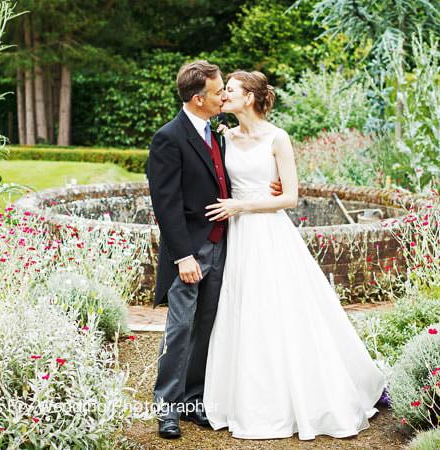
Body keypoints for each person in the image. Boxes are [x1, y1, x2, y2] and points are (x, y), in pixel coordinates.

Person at [202, 70, 386, 441]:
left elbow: (289, 198)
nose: (224, 96)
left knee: (282, 309)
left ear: (250, 98)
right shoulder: (224, 136)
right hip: (237, 237)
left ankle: (303, 397)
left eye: (232, 91)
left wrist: (244, 205)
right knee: (244, 311)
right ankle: (246, 398)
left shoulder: (277, 138)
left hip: (268, 232)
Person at [146, 61, 280, 439]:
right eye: (218, 90)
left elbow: (231, 180)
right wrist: (183, 256)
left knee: (206, 326)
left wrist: (265, 190)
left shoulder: (218, 134)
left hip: (224, 245)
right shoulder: (169, 138)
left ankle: (193, 400)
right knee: (180, 326)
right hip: (189, 251)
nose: (223, 95)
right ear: (197, 98)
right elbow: (166, 204)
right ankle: (167, 408)